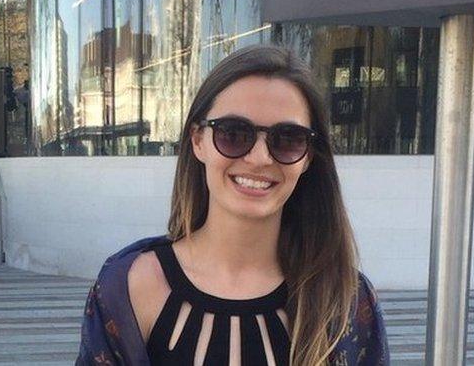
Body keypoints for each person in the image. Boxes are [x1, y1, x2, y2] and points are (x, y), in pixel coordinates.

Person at [75, 45, 388, 365]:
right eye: (234, 133)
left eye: (288, 138)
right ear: (198, 140)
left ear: (307, 156)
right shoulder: (128, 287)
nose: (259, 158)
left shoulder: (345, 300)